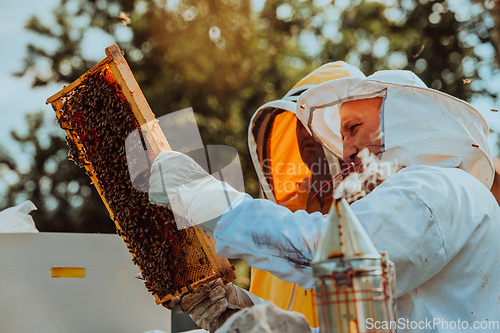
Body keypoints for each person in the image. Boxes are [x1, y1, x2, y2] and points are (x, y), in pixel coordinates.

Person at [149, 70, 500, 332]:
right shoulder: (438, 189)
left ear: (405, 117)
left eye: (353, 127)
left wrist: (203, 197)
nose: (346, 150)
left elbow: (332, 256)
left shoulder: (436, 188)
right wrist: (246, 312)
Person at [246, 61, 364, 326]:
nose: (305, 129)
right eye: (299, 119)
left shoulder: (370, 211)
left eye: (321, 118)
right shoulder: (274, 217)